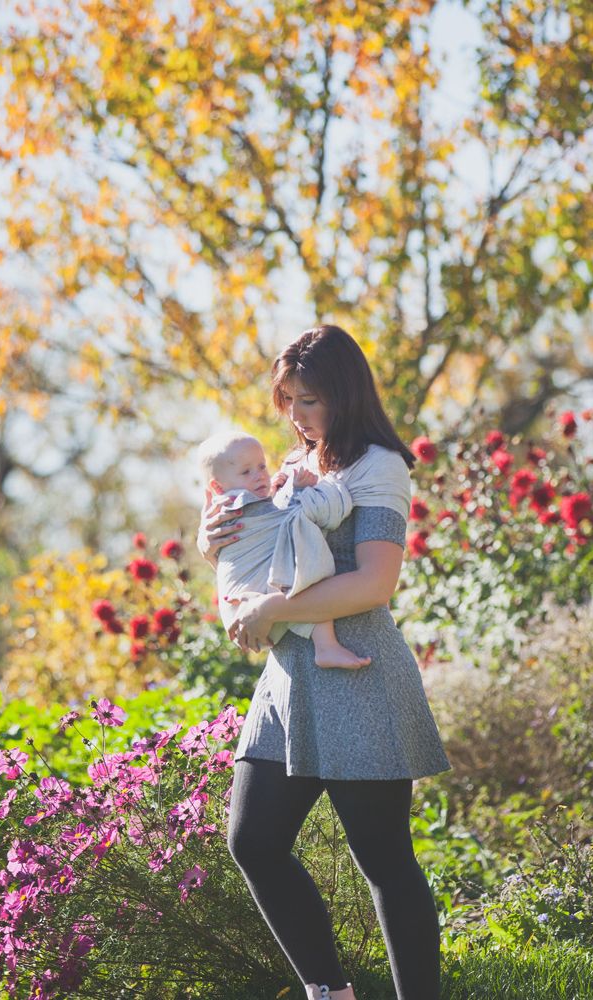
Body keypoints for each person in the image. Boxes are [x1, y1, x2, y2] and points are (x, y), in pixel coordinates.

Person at [197, 325, 452, 1000]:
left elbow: (374, 582)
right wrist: (213, 542)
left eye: (308, 401)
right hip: (290, 678)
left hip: (358, 674)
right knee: (253, 841)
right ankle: (329, 992)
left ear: (342, 394)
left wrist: (274, 609)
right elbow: (258, 553)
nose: (295, 416)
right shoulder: (292, 466)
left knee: (384, 861)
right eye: (288, 401)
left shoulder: (378, 467)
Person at [196, 429, 371, 669]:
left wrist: (281, 493)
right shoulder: (234, 503)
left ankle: (325, 647)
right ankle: (326, 645)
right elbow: (285, 518)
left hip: (250, 604)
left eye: (261, 466)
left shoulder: (237, 504)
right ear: (217, 487)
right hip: (253, 594)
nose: (259, 476)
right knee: (304, 552)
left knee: (298, 564)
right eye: (246, 472)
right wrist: (295, 490)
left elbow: (273, 518)